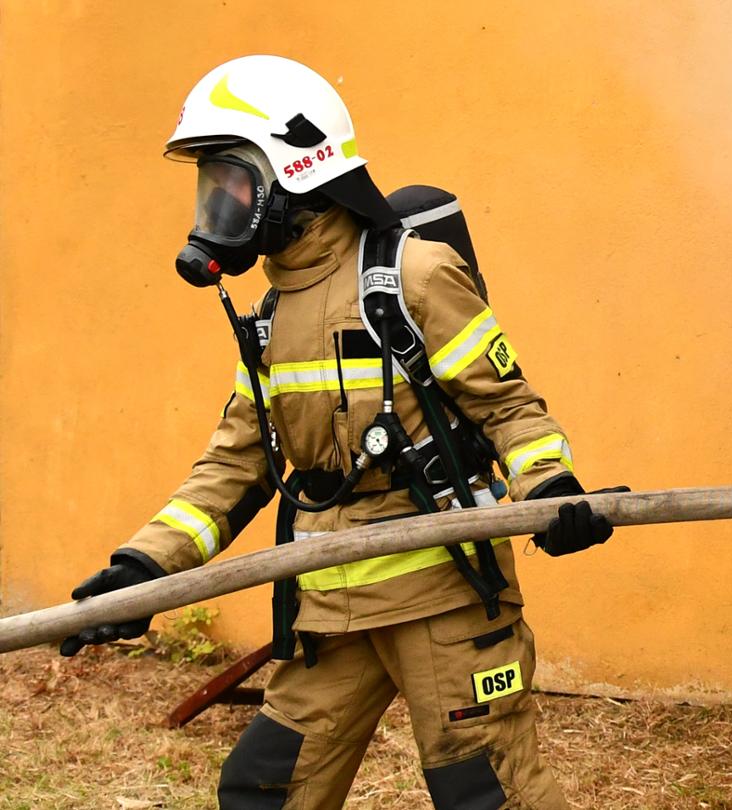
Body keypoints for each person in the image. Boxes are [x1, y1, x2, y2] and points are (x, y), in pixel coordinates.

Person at [57, 54, 619, 809]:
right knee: (264, 791)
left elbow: (508, 408)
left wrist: (552, 492)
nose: (215, 205)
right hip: (329, 607)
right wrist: (141, 571)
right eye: (211, 186)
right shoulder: (268, 320)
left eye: (231, 182)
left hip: (443, 595)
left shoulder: (412, 277)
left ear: (294, 167)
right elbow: (234, 467)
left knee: (483, 795)